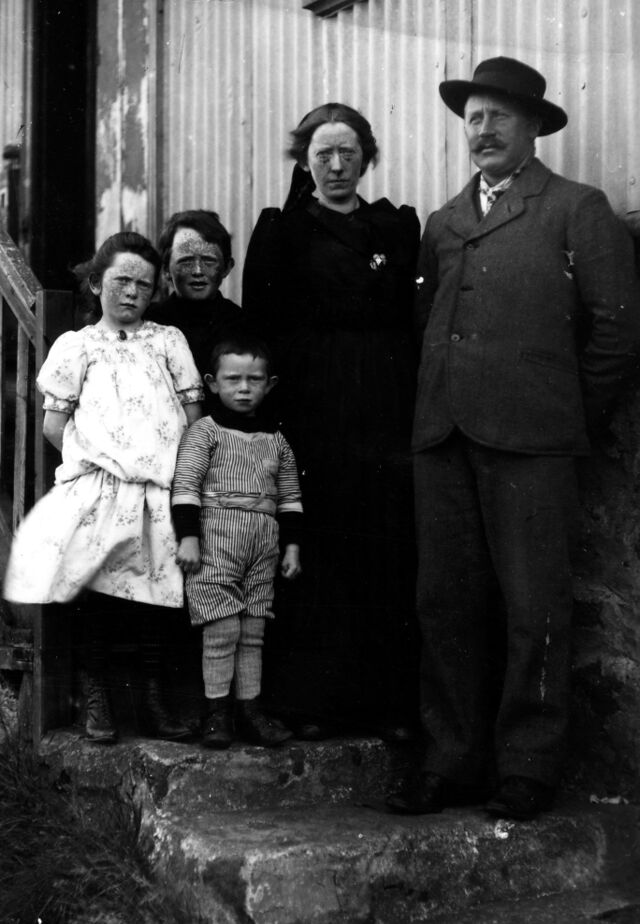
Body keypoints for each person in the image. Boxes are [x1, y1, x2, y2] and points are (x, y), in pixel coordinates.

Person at [387, 57, 640, 820]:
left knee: (535, 606)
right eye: (473, 117)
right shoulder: (443, 222)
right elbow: (426, 323)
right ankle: (451, 760)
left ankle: (529, 764)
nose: (483, 129)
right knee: (445, 603)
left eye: (499, 115)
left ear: (534, 126)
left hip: (534, 442)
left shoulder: (576, 208)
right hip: (443, 437)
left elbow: (618, 331)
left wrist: (564, 412)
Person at [242, 102, 420, 741]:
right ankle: (313, 700)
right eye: (323, 154)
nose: (337, 165)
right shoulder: (283, 230)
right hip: (314, 405)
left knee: (384, 538)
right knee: (317, 539)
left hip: (384, 403)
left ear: (367, 157)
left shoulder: (394, 226)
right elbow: (263, 326)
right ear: (305, 161)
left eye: (349, 153)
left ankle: (386, 704)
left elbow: (409, 318)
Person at [3, 231, 204, 743]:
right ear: (96, 284)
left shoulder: (168, 341)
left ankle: (152, 702)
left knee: (155, 600)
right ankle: (98, 700)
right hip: (103, 490)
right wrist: (99, 463)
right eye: (121, 281)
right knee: (101, 600)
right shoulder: (78, 347)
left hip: (159, 492)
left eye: (144, 284)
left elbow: (193, 419)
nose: (132, 292)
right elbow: (54, 425)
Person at [172, 336, 303, 748]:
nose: (244, 388)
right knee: (222, 627)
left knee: (253, 629)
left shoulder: (277, 440)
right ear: (212, 383)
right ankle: (217, 715)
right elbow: (185, 487)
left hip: (263, 544)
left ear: (270, 384)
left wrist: (292, 547)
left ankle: (251, 712)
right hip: (216, 539)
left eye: (254, 379)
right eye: (233, 379)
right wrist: (189, 538)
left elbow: (290, 498)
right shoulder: (204, 433)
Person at [147, 209, 243, 377]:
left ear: (227, 267)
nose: (198, 271)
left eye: (209, 261)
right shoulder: (148, 323)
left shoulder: (242, 325)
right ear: (166, 270)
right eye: (186, 261)